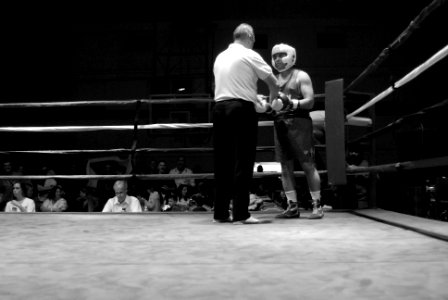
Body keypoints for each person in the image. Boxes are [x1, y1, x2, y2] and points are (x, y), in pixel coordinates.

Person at [212, 23, 279, 224]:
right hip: (240, 110)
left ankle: (220, 214)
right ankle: (242, 213)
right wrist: (271, 103)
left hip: (219, 108)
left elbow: (230, 86)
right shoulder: (249, 54)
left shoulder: (220, 56)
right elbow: (273, 82)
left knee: (223, 162)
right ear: (249, 36)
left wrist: (250, 95)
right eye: (253, 39)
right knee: (243, 159)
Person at [268, 43, 323, 219]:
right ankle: (292, 207)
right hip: (280, 122)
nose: (277, 59)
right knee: (285, 167)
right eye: (275, 56)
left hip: (299, 122)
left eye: (281, 55)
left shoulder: (301, 76)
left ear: (291, 55)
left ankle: (317, 205)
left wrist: (293, 103)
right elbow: (273, 105)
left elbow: (311, 101)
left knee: (307, 164)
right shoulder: (274, 80)